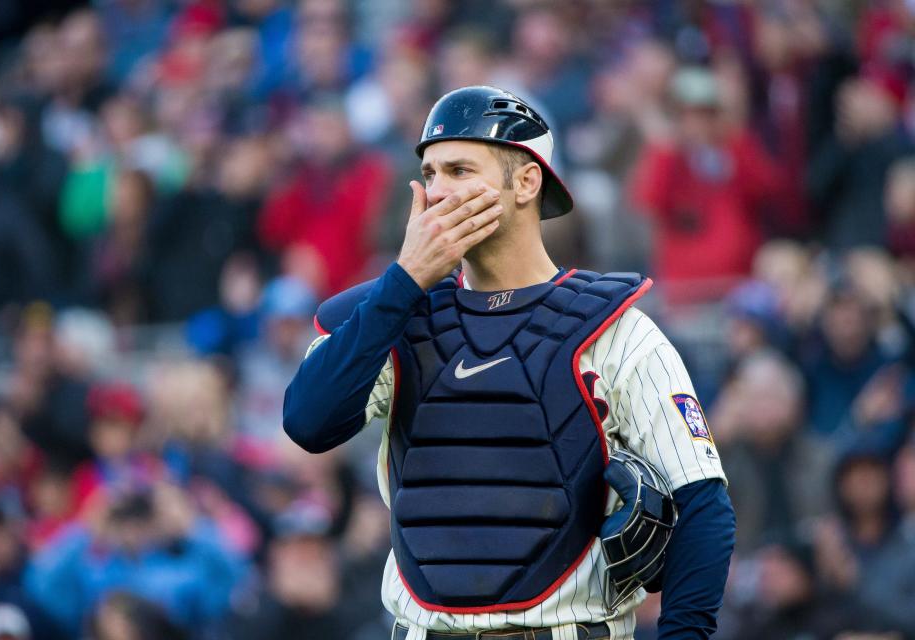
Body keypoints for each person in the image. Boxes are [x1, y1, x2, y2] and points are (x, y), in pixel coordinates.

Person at [283, 86, 735, 639]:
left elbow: (703, 503)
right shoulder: (393, 314)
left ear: (526, 181)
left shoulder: (616, 327)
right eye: (429, 174)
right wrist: (404, 282)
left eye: (459, 170)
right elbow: (308, 422)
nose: (437, 192)